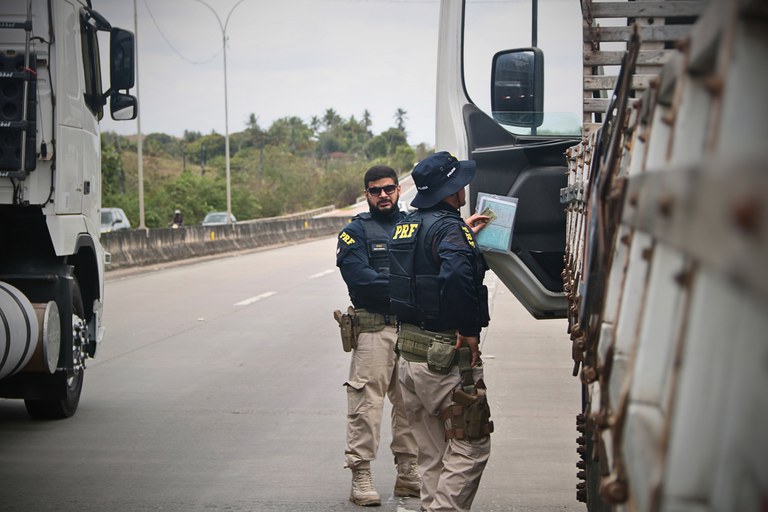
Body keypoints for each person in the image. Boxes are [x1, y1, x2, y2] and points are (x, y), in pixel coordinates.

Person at [389, 151, 493, 512]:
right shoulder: (450, 229)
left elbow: (422, 272)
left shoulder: (407, 224)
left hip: (409, 355)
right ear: (452, 189)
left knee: (432, 452)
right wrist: (469, 331)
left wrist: (466, 235)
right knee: (471, 444)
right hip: (444, 357)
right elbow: (454, 276)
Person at [335, 165, 421, 507]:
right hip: (373, 330)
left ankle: (408, 473)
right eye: (375, 190)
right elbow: (361, 281)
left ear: (399, 189)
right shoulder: (354, 232)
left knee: (411, 404)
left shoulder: (415, 225)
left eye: (388, 189)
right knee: (366, 406)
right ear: (366, 193)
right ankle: (361, 474)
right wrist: (411, 288)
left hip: (412, 329)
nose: (383, 195)